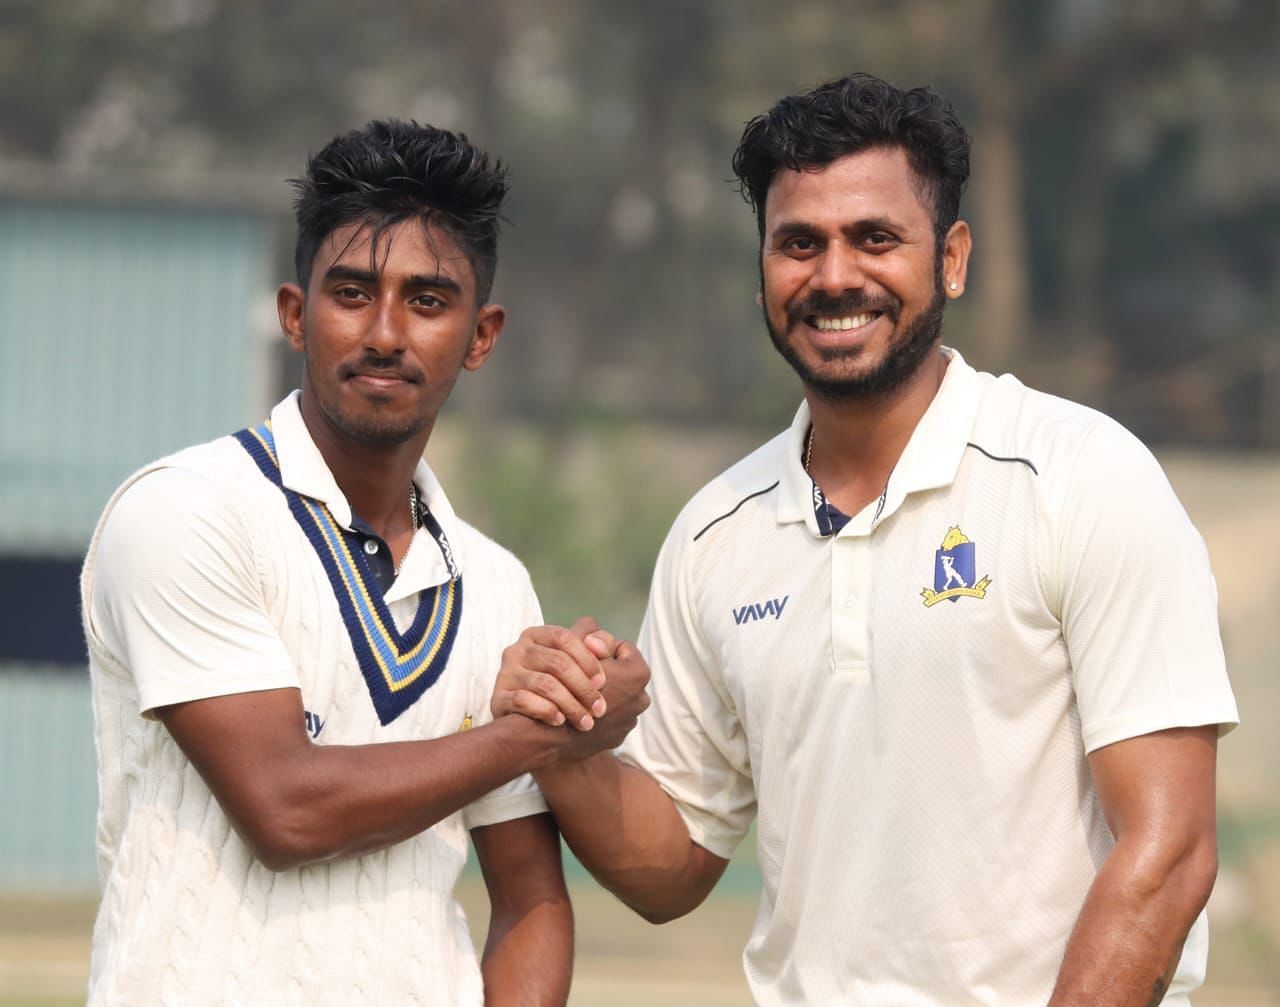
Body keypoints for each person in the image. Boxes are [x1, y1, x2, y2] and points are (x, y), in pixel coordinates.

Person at [493, 74, 1240, 1006]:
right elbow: (673, 864)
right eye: (798, 243)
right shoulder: (715, 534)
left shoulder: (1081, 476)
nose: (835, 276)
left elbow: (1168, 853)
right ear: (763, 266)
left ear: (953, 258)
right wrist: (564, 744)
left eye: (875, 238)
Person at [79, 119, 641, 1007]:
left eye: (427, 299)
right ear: (295, 314)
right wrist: (545, 731)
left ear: (482, 334)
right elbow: (286, 810)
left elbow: (530, 899)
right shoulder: (185, 510)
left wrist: (582, 695)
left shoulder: (495, 584)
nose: (385, 332)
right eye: (351, 292)